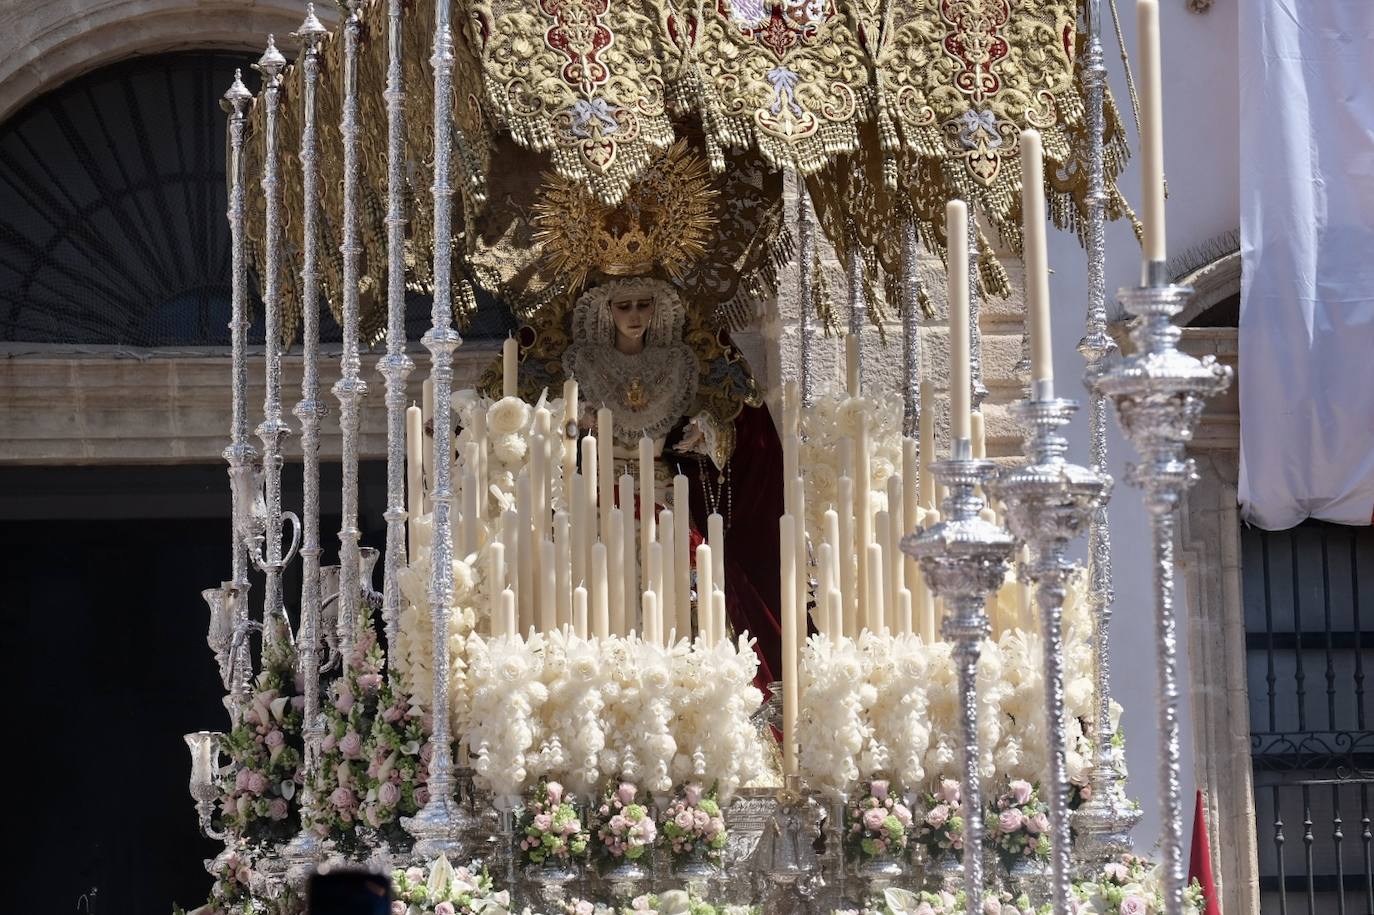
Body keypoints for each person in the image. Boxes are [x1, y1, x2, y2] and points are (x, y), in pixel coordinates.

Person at [561, 277, 784, 686]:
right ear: (605, 310)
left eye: (643, 305)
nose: (634, 317)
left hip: (664, 505)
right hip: (598, 504)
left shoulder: (678, 365)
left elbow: (730, 423)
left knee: (682, 598)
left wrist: (707, 431)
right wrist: (576, 424)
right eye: (623, 306)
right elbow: (552, 429)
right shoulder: (585, 366)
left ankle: (684, 689)